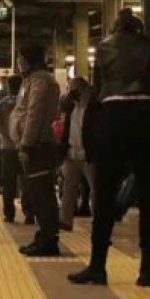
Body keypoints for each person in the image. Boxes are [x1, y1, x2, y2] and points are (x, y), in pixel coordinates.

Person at [69, 8, 150, 287]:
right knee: (148, 196)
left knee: (104, 194)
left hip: (113, 119)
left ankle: (98, 266)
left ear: (115, 27)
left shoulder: (103, 47)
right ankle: (146, 269)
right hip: (147, 118)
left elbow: (101, 90)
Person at [10, 43, 61, 256]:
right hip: (34, 146)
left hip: (37, 147)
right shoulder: (32, 80)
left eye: (20, 58)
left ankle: (48, 241)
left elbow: (35, 113)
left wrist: (26, 144)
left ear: (27, 59)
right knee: (38, 194)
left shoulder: (40, 80)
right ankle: (42, 238)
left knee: (42, 195)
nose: (18, 63)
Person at [58, 77, 95, 232]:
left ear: (85, 89)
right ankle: (65, 220)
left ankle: (99, 221)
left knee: (96, 189)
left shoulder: (94, 108)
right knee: (69, 187)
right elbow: (60, 107)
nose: (73, 93)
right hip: (71, 153)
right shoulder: (71, 107)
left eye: (75, 90)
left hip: (89, 154)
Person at [0, 75, 27, 223]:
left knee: (8, 183)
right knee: (27, 182)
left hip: (8, 147)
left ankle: (9, 214)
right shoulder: (27, 101)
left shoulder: (2, 104)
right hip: (25, 146)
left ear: (9, 87)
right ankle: (30, 213)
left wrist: (8, 136)